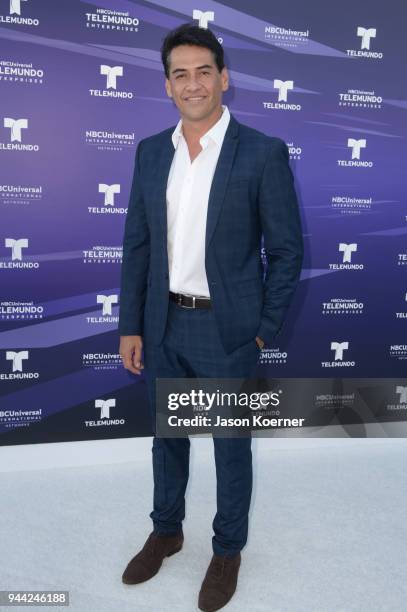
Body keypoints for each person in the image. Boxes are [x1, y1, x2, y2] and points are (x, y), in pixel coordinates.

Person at [118, 22, 303, 611]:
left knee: (230, 444)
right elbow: (138, 246)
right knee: (167, 438)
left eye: (204, 71)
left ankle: (227, 551)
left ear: (224, 78)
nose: (193, 83)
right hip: (163, 324)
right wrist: (132, 324)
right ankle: (167, 531)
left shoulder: (262, 152)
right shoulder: (151, 152)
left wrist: (262, 326)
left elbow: (288, 250)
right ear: (168, 86)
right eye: (180, 74)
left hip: (227, 331)